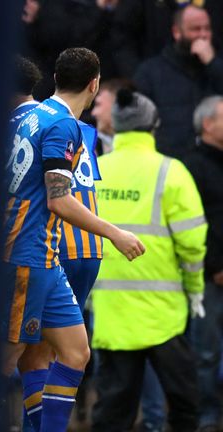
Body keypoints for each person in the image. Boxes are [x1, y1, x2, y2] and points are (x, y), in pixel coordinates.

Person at [0, 47, 145, 432]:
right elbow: (59, 200)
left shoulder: (29, 115)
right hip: (25, 257)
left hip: (46, 259)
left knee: (75, 353)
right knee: (6, 359)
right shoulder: (63, 126)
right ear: (94, 85)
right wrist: (115, 233)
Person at [90, 89, 206, 432]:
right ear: (154, 126)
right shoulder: (172, 172)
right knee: (184, 406)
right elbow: (193, 243)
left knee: (112, 413)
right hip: (164, 315)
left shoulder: (95, 171)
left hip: (112, 314)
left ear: (117, 125)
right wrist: (194, 290)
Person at [134, 5, 223, 159]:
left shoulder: (216, 67)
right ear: (177, 32)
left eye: (207, 29)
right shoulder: (150, 72)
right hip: (170, 160)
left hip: (214, 163)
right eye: (196, 29)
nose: (203, 35)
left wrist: (212, 63)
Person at [184, 95, 223, 432]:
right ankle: (208, 414)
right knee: (206, 352)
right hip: (211, 277)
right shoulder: (192, 166)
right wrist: (215, 266)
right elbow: (194, 225)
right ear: (207, 123)